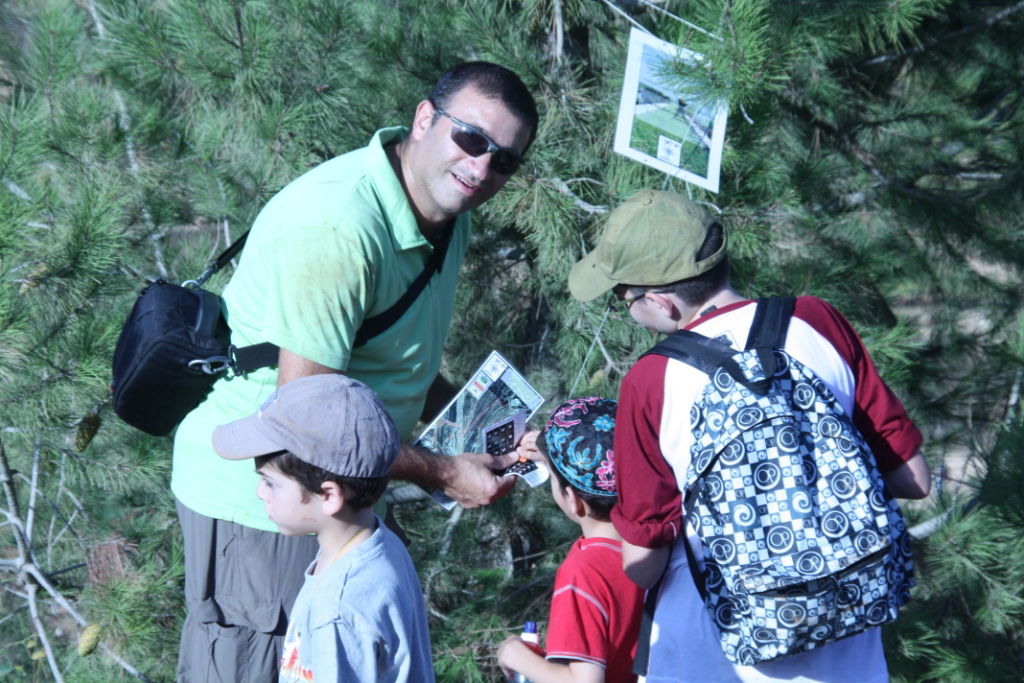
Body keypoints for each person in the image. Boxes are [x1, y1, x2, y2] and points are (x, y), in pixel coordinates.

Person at [171, 62, 538, 681]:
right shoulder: (339, 228)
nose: (481, 170)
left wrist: (485, 433)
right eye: (470, 140)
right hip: (268, 501)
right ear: (425, 119)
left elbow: (394, 359)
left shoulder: (447, 210)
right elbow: (306, 428)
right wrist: (444, 471)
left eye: (503, 160)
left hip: (344, 495)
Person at [566, 189, 932, 682]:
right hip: (850, 641)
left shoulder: (652, 379)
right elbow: (914, 478)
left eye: (622, 298)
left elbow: (644, 564)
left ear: (660, 302)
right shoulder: (816, 320)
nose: (625, 309)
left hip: (718, 654)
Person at [211, 374, 433, 682]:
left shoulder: (337, 611)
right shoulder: (378, 541)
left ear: (329, 495)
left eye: (270, 482)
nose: (261, 493)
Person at [497, 397, 645, 683]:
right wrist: (554, 453)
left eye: (553, 477)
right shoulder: (653, 543)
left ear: (573, 500)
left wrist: (515, 654)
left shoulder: (584, 572)